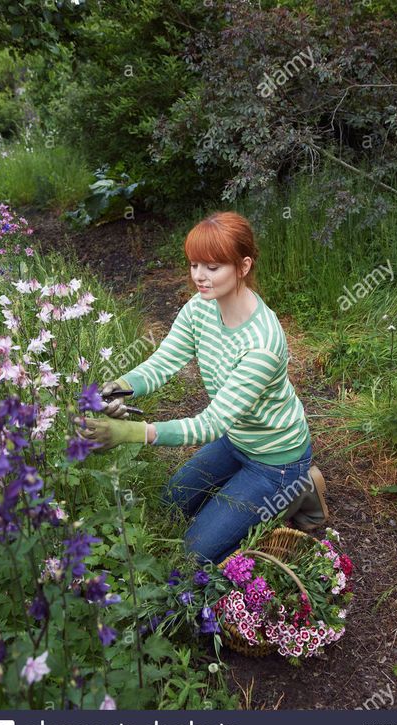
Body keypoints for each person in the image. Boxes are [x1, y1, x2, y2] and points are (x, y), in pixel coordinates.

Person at [76, 211, 328, 565]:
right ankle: (270, 492)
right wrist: (119, 387)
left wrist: (129, 432)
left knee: (194, 554)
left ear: (243, 266)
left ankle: (297, 490)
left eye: (212, 266)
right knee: (170, 505)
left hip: (275, 460)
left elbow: (209, 425)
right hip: (235, 439)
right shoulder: (200, 308)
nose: (199, 276)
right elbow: (164, 362)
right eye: (195, 264)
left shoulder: (262, 343)